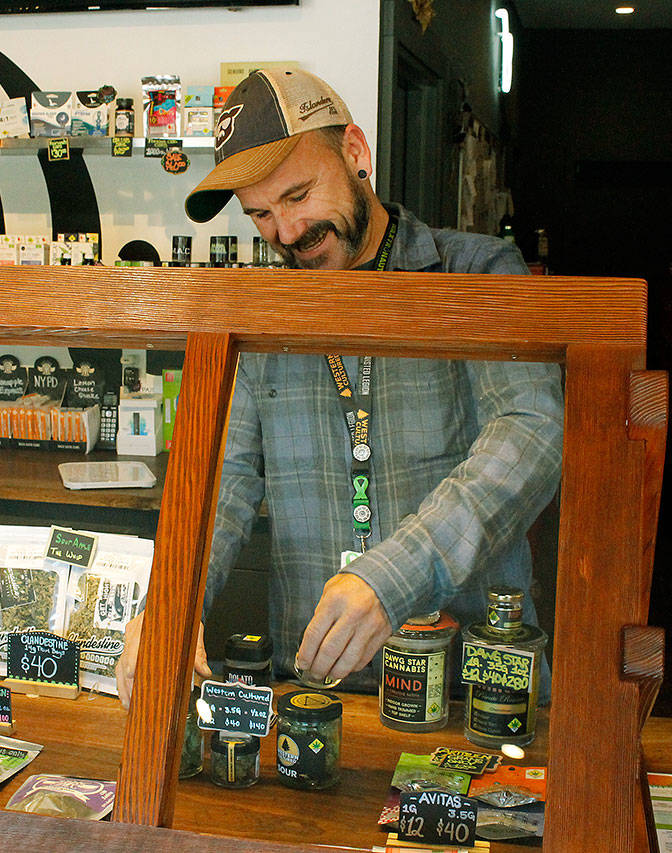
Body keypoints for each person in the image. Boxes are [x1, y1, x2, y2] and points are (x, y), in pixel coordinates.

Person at [117, 68, 562, 705]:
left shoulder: (476, 272)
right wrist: (171, 603)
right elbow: (222, 481)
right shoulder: (259, 316)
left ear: (356, 153)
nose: (288, 234)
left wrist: (394, 578)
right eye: (262, 215)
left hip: (472, 691)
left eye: (298, 196)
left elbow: (533, 434)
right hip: (315, 695)